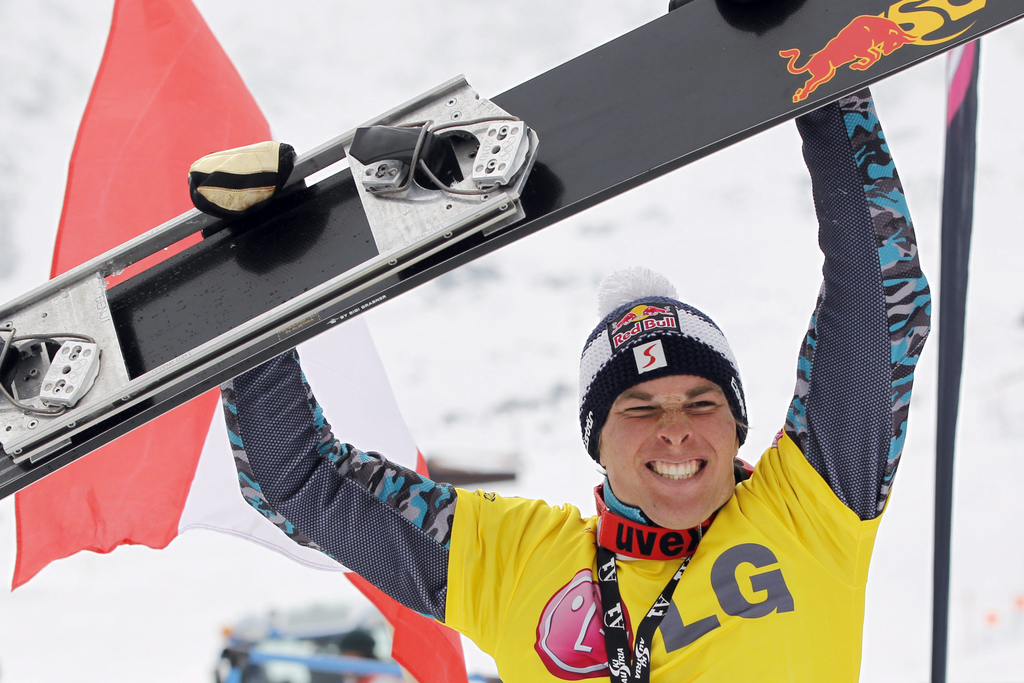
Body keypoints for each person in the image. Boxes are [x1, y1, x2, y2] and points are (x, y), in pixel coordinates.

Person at [206, 90, 930, 681]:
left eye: (702, 402)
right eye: (638, 407)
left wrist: (815, 79)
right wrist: (259, 277)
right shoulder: (517, 561)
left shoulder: (812, 506)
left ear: (738, 424)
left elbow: (881, 306)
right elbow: (300, 483)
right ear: (597, 442)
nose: (675, 429)